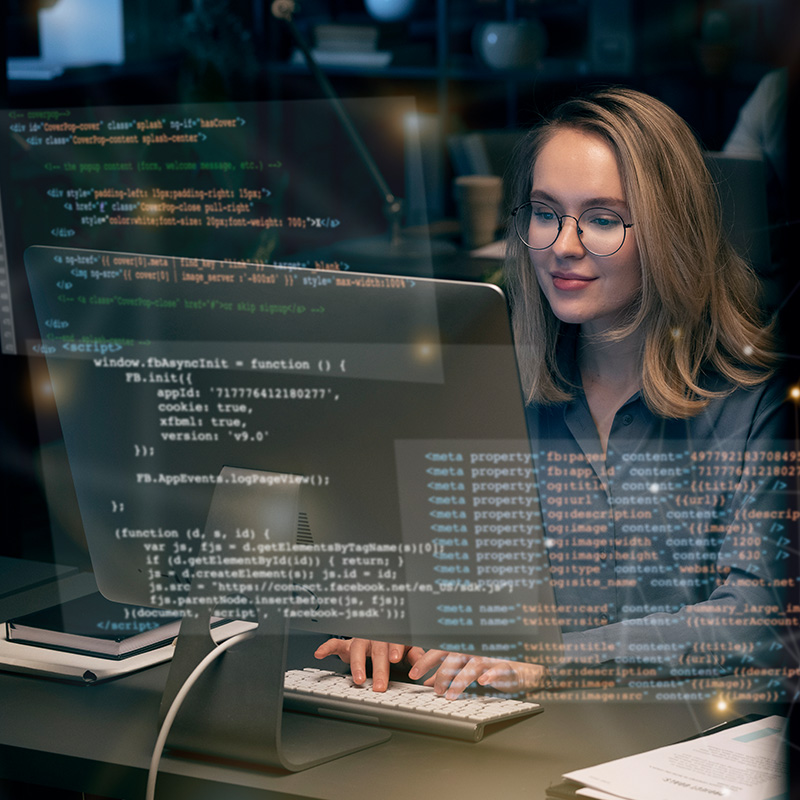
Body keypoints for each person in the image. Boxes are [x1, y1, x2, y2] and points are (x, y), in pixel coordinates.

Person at [315, 87, 793, 699]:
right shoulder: (488, 385)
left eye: (602, 219)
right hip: (499, 734)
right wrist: (390, 621)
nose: (563, 246)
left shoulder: (760, 405)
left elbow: (755, 617)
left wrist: (551, 661)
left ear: (674, 233)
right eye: (545, 213)